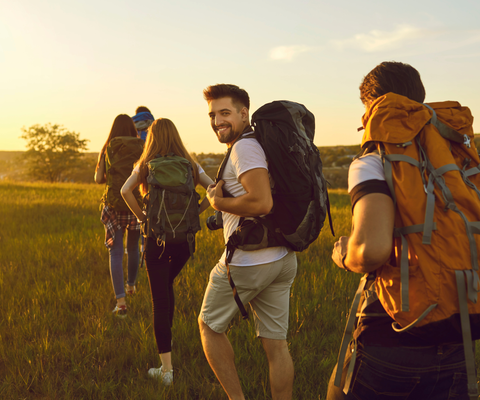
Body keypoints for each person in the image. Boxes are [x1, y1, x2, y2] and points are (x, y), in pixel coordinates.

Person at [327, 61, 476, 399]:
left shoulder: (373, 159)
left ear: (373, 108)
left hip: (392, 333)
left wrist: (343, 253)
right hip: (458, 337)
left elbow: (372, 250)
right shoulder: (456, 159)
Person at [198, 84, 297, 400]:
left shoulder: (245, 148)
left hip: (249, 260)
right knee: (276, 343)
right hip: (281, 258)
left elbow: (262, 203)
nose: (217, 121)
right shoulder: (260, 144)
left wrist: (218, 204)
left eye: (224, 113)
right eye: (213, 115)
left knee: (209, 326)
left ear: (244, 113)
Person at [121, 118, 213, 386]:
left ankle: (167, 371)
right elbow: (215, 188)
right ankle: (167, 341)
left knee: (159, 299)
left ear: (152, 138)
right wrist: (197, 211)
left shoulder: (145, 165)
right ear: (176, 136)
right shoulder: (190, 165)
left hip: (156, 240)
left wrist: (142, 218)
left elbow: (125, 190)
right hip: (184, 242)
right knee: (167, 285)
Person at [94, 114, 142, 318]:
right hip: (135, 203)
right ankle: (131, 286)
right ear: (132, 129)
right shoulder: (142, 147)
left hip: (113, 204)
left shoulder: (108, 148)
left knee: (115, 252)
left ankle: (121, 302)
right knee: (133, 248)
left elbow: (98, 179)